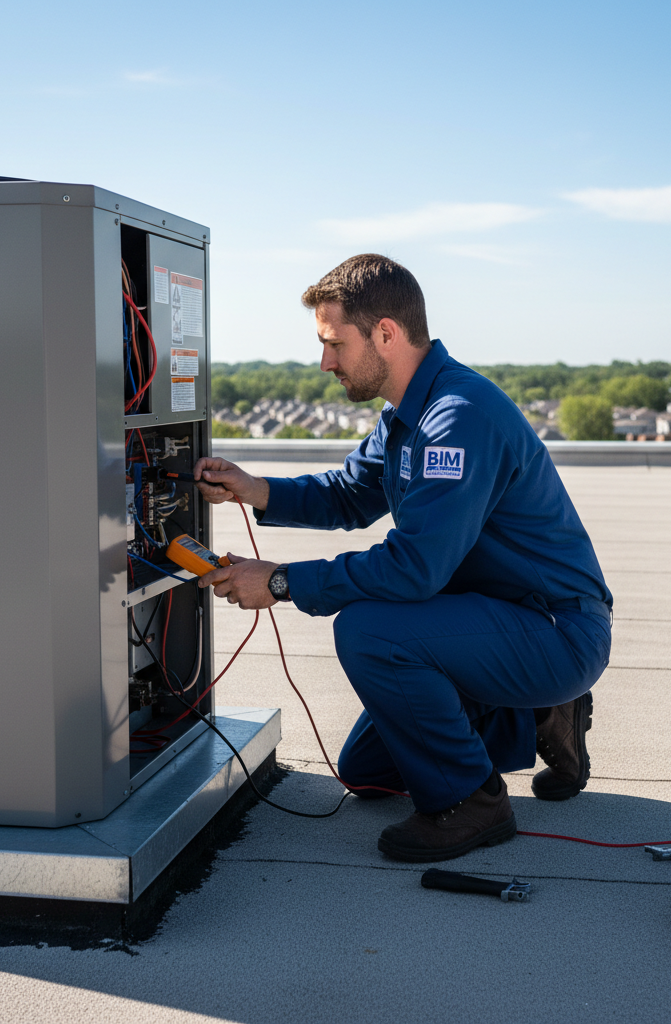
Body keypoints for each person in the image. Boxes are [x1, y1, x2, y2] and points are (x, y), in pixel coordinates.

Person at [194, 255, 612, 863]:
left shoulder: (457, 418)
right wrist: (253, 487)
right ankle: (538, 714)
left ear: (385, 333)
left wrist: (281, 582)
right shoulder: (404, 417)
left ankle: (474, 803)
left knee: (369, 631)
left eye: (334, 343)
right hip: (486, 617)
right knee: (366, 774)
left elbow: (414, 569)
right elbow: (350, 492)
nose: (325, 362)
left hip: (553, 628)